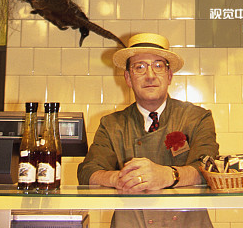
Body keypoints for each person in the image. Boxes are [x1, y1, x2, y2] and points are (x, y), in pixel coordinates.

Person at [78, 33, 219, 228]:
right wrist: (120, 179)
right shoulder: (111, 124)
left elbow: (208, 170)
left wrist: (168, 175)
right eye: (140, 67)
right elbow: (87, 172)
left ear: (169, 75)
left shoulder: (197, 118)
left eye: (158, 66)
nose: (150, 75)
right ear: (128, 77)